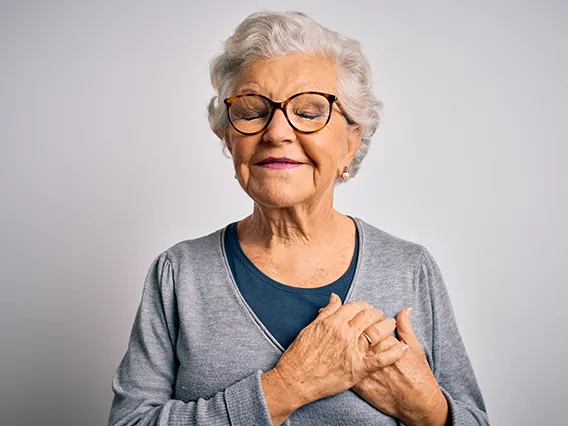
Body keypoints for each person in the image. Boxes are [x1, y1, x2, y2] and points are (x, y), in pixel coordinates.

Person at [108, 10, 490, 426]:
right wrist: (287, 386)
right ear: (229, 137)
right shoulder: (179, 273)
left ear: (350, 142)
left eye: (308, 112)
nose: (276, 132)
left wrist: (429, 409)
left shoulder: (409, 269)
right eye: (253, 111)